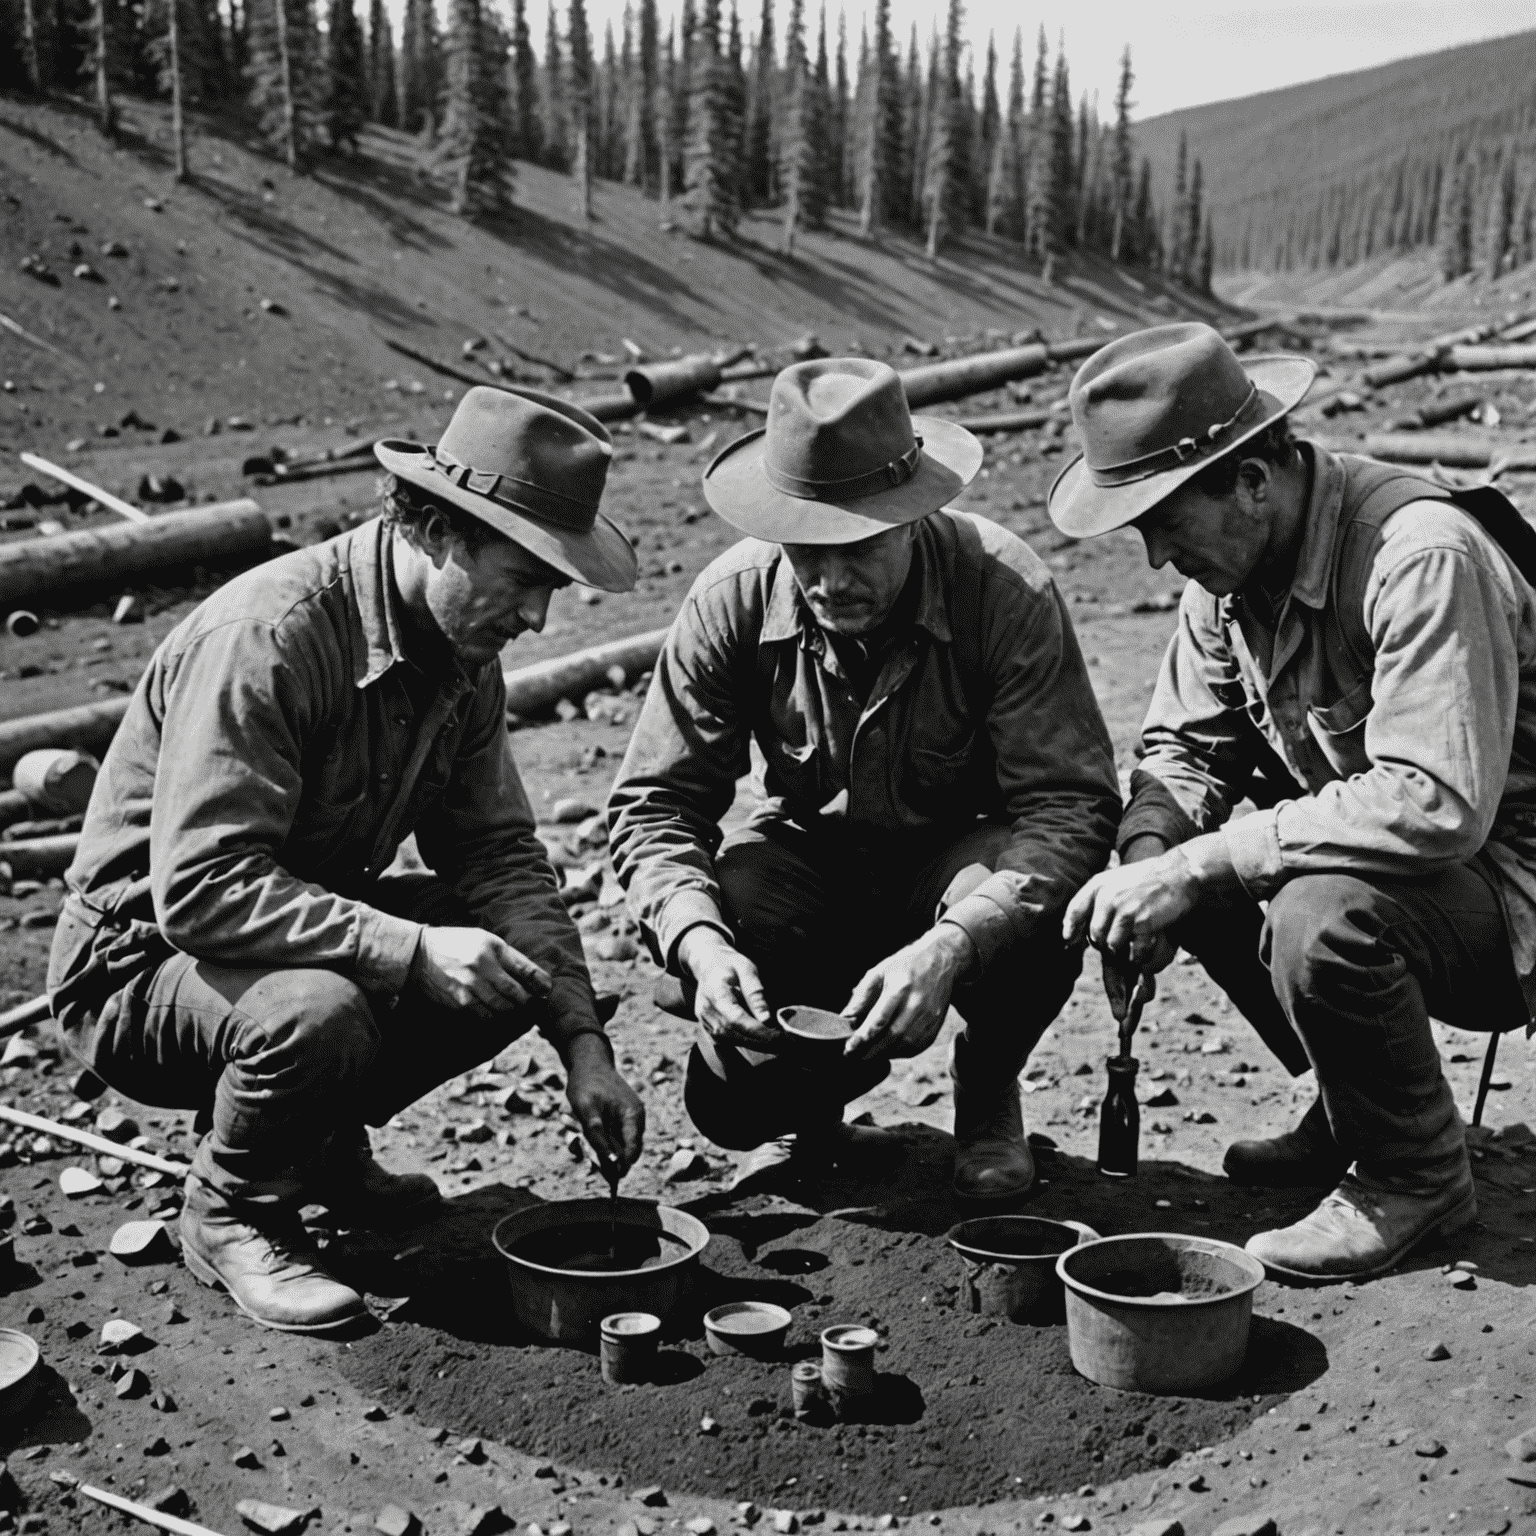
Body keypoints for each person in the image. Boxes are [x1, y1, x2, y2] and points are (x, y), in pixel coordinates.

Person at [49, 386, 647, 1332]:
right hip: (140, 969)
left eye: (553, 589)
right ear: (441, 531)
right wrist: (409, 952)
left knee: (506, 957)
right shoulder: (271, 637)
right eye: (523, 578)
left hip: (277, 935)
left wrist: (584, 1045)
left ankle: (317, 1147)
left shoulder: (463, 658)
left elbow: (498, 857)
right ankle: (231, 1208)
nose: (537, 616)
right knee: (318, 1013)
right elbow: (201, 891)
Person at [1055, 322, 1536, 1281]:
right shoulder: (1227, 580)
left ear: (1251, 480)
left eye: (1163, 519)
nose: (1154, 556)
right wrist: (1150, 857)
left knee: (1317, 915)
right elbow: (1183, 750)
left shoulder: (1418, 554)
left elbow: (1437, 801)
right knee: (1184, 866)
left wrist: (1209, 857)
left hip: (1515, 882)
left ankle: (1414, 1174)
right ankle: (1358, 1104)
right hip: (1426, 864)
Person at [607, 357, 1120, 1199]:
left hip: (959, 864)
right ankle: (812, 1111)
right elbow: (657, 806)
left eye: (858, 549)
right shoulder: (730, 600)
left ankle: (987, 1085)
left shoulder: (1002, 588)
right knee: (731, 1107)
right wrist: (699, 943)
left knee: (1042, 903)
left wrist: (955, 945)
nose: (830, 581)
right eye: (806, 552)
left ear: (916, 518)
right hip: (815, 864)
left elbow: (1070, 807)